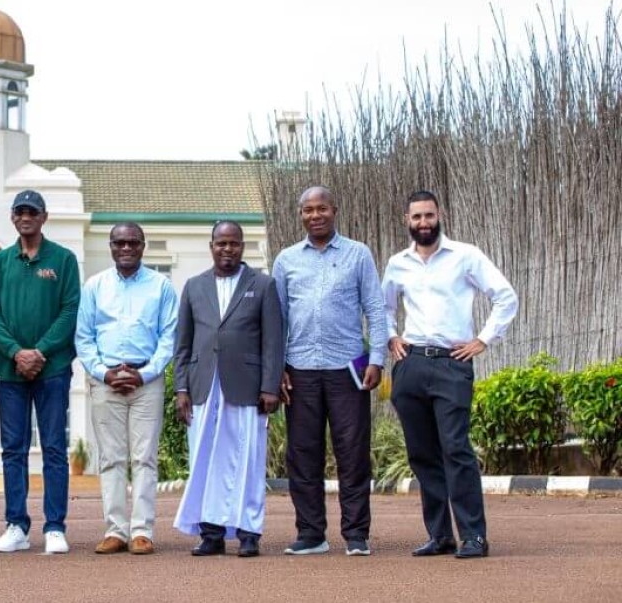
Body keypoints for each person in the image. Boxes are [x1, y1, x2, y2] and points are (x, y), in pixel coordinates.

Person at [382, 190, 518, 559]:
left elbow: (505, 296)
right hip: (410, 364)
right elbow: (382, 308)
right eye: (416, 217)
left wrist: (483, 340)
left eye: (429, 215)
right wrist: (392, 336)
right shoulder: (398, 264)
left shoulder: (466, 256)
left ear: (439, 215)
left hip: (451, 363)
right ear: (407, 221)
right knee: (422, 454)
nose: (423, 223)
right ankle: (440, 535)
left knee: (456, 449)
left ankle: (473, 535)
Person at [273, 186, 388, 557]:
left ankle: (356, 534)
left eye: (321, 208)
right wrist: (277, 369)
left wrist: (378, 358)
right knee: (302, 454)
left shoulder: (358, 254)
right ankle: (310, 533)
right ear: (301, 215)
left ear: (334, 211)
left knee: (352, 452)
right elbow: (277, 321)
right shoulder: (286, 260)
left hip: (349, 367)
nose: (315, 215)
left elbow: (376, 308)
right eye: (308, 210)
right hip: (300, 369)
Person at [172, 220, 285, 557]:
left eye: (233, 243)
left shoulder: (263, 285)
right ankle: (211, 532)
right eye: (221, 243)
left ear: (242, 246)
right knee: (205, 459)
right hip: (204, 386)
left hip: (247, 387)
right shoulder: (194, 286)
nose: (227, 249)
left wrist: (270, 387)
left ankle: (249, 532)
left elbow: (273, 342)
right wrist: (181, 389)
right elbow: (183, 344)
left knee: (247, 459)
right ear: (211, 246)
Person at [0, 190, 81, 555]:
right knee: (13, 448)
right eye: (20, 212)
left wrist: (40, 351)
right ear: (13, 217)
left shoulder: (63, 259)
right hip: (9, 371)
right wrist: (15, 352)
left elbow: (70, 310)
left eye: (33, 212)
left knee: (54, 447)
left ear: (43, 217)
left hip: (52, 368)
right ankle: (16, 525)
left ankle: (55, 526)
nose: (26, 217)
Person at [75, 222, 177, 555]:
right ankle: (116, 530)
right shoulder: (95, 286)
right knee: (111, 459)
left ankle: (142, 531)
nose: (126, 248)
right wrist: (104, 374)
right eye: (120, 243)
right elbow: (84, 337)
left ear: (143, 246)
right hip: (106, 382)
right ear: (111, 246)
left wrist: (144, 374)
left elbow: (168, 338)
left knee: (144, 458)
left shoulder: (161, 286)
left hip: (146, 380)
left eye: (133, 243)